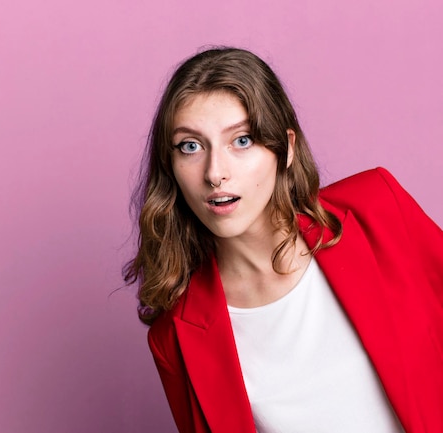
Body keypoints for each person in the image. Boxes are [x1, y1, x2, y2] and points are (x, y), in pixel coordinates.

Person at [124, 47, 443, 433]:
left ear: (286, 148)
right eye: (190, 146)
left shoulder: (377, 209)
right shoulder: (176, 335)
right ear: (170, 166)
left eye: (241, 141)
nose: (215, 173)